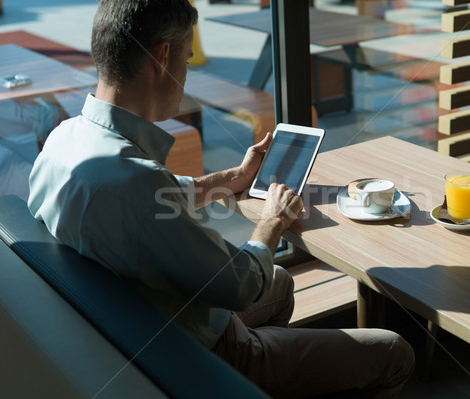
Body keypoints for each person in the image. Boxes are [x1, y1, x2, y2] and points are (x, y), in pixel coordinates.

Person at [28, 0, 414, 397]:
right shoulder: (132, 185)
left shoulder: (66, 140)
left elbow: (148, 197)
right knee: (394, 351)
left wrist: (235, 177)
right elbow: (241, 285)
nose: (186, 73)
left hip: (136, 321)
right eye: (187, 59)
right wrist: (272, 219)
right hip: (189, 350)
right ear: (162, 57)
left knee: (279, 282)